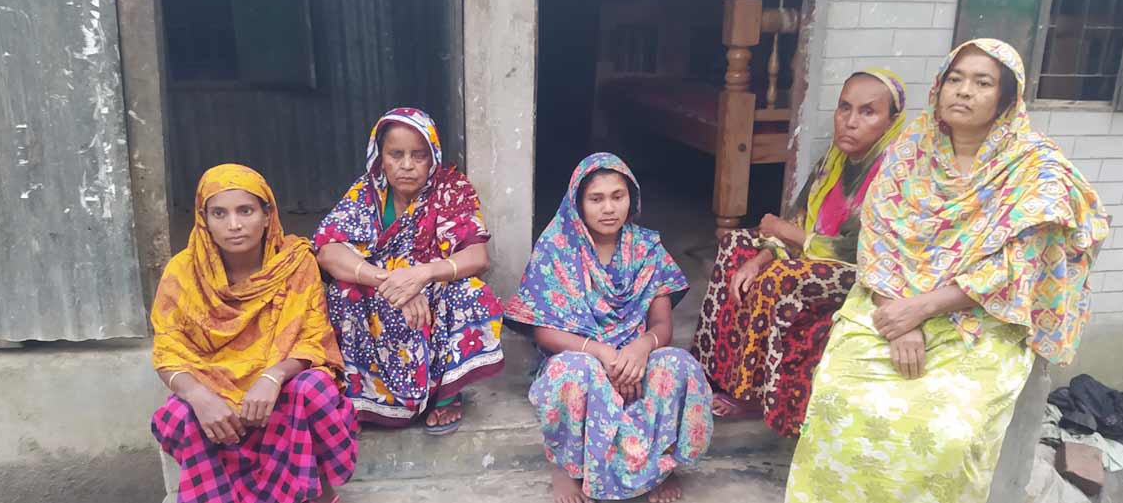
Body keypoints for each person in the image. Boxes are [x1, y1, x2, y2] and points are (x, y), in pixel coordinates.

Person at [784, 39, 1108, 503]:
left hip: (980, 319)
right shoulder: (910, 153)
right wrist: (900, 320)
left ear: (1006, 97)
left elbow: (1015, 265)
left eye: (982, 82)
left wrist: (920, 310)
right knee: (839, 399)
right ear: (939, 86)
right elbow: (878, 240)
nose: (964, 91)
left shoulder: (1035, 168)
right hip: (888, 301)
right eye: (955, 79)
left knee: (945, 431)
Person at [691, 68, 907, 435]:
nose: (850, 121)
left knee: (780, 277)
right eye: (844, 107)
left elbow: (854, 249)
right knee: (736, 246)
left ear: (891, 120)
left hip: (864, 274)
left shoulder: (894, 175)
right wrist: (759, 258)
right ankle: (712, 370)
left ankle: (748, 394)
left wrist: (781, 234)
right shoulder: (833, 161)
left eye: (868, 112)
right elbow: (798, 220)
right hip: (813, 255)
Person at [506, 153, 713, 503]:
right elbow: (543, 331)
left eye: (618, 196)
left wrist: (641, 348)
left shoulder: (646, 248)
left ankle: (658, 468)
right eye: (596, 199)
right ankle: (566, 468)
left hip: (635, 357)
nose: (608, 208)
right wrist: (603, 353)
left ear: (632, 198)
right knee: (571, 373)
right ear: (578, 204)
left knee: (680, 366)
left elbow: (662, 323)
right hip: (583, 355)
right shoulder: (557, 248)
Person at [151, 164, 357, 503]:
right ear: (204, 220)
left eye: (245, 211)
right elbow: (167, 351)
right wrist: (199, 396)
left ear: (267, 215)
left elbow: (313, 338)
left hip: (279, 392)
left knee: (313, 389)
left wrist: (273, 376)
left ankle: (314, 495)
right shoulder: (183, 272)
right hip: (215, 393)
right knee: (178, 414)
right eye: (219, 213)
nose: (233, 224)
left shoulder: (295, 263)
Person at [314, 107, 503, 433]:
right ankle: (368, 400)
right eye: (396, 154)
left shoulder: (450, 189)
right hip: (382, 290)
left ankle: (446, 395)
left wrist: (421, 275)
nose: (406, 165)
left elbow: (477, 256)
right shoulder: (366, 192)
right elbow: (327, 250)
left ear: (433, 157)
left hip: (431, 292)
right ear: (380, 156)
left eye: (418, 155)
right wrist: (390, 282)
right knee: (341, 292)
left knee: (471, 292)